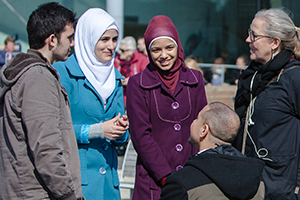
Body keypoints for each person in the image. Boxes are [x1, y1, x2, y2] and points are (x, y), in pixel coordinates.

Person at [0, 2, 83, 200]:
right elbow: (46, 148)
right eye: (69, 37)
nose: (72, 44)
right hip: (37, 193)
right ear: (52, 40)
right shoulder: (38, 77)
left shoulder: (25, 72)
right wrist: (68, 195)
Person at [126, 15, 207, 200]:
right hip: (154, 181)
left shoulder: (195, 80)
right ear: (148, 51)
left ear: (178, 46)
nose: (163, 55)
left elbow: (203, 127)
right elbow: (140, 136)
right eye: (156, 50)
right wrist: (166, 176)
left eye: (169, 48)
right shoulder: (137, 84)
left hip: (191, 177)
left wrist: (195, 172)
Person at [53, 8, 129, 200]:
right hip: (77, 182)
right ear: (88, 38)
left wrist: (122, 129)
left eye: (114, 39)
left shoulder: (115, 76)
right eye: (104, 39)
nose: (111, 46)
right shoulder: (63, 73)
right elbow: (55, 130)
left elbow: (121, 135)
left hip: (109, 184)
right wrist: (97, 131)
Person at [234, 8, 300, 199]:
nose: (248, 40)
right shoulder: (251, 78)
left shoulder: (294, 78)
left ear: (274, 42)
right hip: (250, 185)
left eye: (254, 35)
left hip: (282, 191)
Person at [160, 102, 265, 200]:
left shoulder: (181, 182)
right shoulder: (257, 181)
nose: (193, 122)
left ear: (203, 130)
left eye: (197, 118)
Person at [114, 36, 149, 105]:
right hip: (119, 100)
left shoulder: (142, 60)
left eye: (123, 50)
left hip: (137, 100)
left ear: (130, 51)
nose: (120, 52)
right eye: (119, 49)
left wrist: (131, 80)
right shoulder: (116, 60)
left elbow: (147, 78)